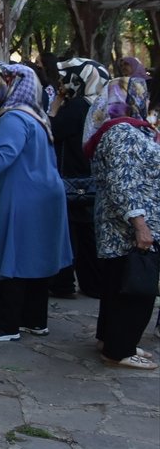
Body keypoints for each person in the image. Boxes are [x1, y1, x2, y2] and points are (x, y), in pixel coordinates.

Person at [0, 64, 72, 343]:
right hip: (42, 195)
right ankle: (34, 319)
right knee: (36, 258)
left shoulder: (13, 118)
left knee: (14, 259)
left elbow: (2, 157)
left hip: (22, 198)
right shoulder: (33, 115)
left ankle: (7, 325)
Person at [83, 77, 160, 370]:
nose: (146, 100)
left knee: (118, 286)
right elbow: (122, 181)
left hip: (122, 223)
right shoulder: (122, 132)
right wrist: (140, 225)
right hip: (128, 226)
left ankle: (112, 340)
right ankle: (120, 350)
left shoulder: (121, 130)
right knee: (135, 290)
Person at [49, 58, 110, 299]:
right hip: (91, 178)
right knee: (87, 235)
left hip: (73, 179)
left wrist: (56, 104)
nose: (62, 82)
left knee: (71, 235)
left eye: (66, 78)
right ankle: (94, 284)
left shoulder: (76, 107)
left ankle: (64, 284)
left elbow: (52, 130)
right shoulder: (102, 104)